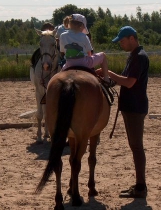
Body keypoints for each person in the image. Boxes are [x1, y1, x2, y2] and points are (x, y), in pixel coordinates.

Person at [105, 26, 149, 198]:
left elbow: (129, 82)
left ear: (132, 38)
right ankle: (139, 185)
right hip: (131, 106)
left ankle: (140, 187)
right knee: (135, 146)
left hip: (135, 107)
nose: (121, 45)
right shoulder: (134, 56)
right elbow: (123, 80)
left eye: (122, 41)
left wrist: (109, 72)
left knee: (137, 147)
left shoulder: (139, 57)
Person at [59, 13, 113, 86]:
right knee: (103, 55)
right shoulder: (84, 36)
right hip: (84, 64)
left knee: (58, 77)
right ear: (81, 26)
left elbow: (63, 51)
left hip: (69, 64)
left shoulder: (62, 36)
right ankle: (107, 79)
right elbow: (89, 53)